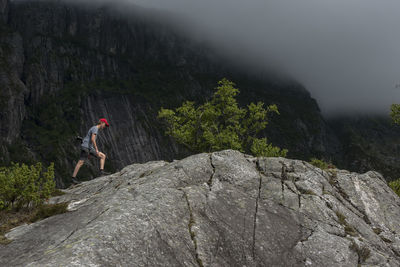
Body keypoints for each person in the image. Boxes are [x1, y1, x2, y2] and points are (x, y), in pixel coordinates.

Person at [71, 118, 110, 184]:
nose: (105, 126)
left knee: (102, 156)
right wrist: (96, 149)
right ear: (101, 123)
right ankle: (73, 178)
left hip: (89, 148)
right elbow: (92, 139)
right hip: (87, 147)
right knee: (81, 162)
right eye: (105, 125)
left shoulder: (95, 128)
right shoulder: (95, 128)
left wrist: (90, 152)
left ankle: (101, 172)